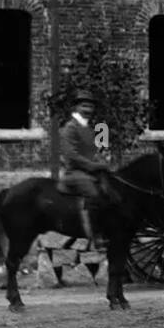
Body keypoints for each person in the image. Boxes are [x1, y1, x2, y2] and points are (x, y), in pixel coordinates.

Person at [58, 91, 109, 246]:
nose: (87, 109)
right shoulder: (70, 128)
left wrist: (103, 161)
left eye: (90, 106)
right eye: (84, 105)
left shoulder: (94, 128)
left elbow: (98, 151)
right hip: (74, 172)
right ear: (76, 107)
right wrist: (93, 166)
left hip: (91, 171)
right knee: (93, 193)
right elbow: (71, 155)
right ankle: (95, 235)